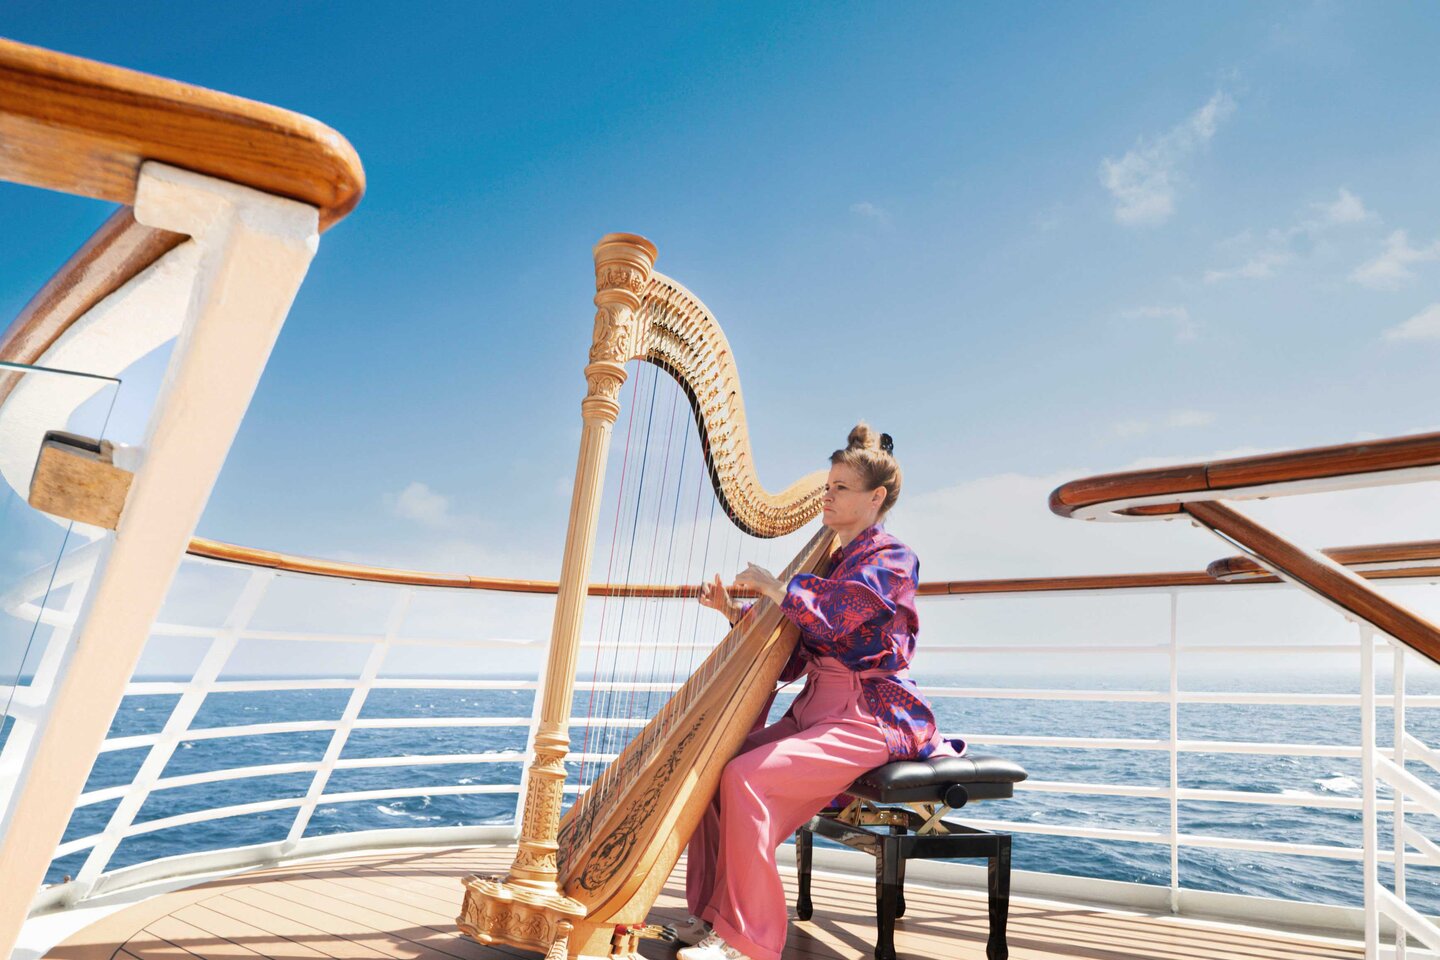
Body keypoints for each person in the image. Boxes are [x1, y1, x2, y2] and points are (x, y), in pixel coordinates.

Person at [675, 423, 964, 960]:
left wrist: (777, 587)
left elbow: (841, 614)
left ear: (875, 498)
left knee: (745, 778)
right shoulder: (829, 562)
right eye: (827, 486)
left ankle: (748, 940)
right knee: (714, 769)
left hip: (870, 715)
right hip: (815, 708)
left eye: (841, 488)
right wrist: (734, 612)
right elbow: (792, 653)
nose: (826, 496)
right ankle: (712, 914)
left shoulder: (894, 560)